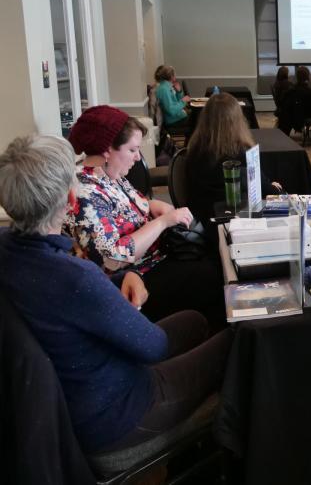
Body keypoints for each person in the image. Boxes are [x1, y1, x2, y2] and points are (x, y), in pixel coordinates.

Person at [0, 134, 232, 454]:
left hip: (83, 386)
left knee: (193, 321)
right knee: (236, 339)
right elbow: (152, 346)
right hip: (118, 413)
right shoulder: (74, 277)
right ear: (70, 200)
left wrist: (128, 273)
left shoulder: (9, 248)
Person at [63, 105, 225, 324]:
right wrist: (162, 222)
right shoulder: (85, 193)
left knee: (218, 255)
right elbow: (111, 258)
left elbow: (125, 207)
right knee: (214, 276)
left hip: (153, 261)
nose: (138, 157)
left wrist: (151, 205)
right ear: (107, 149)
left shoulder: (109, 175)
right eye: (132, 150)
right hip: (129, 282)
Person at [186, 93, 281, 242]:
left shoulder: (194, 149)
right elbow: (265, 190)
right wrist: (275, 188)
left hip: (202, 219)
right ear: (237, 120)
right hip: (233, 226)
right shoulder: (242, 152)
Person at [278, 65, 311, 136]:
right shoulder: (309, 92)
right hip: (304, 116)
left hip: (294, 118)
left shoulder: (291, 90)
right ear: (308, 76)